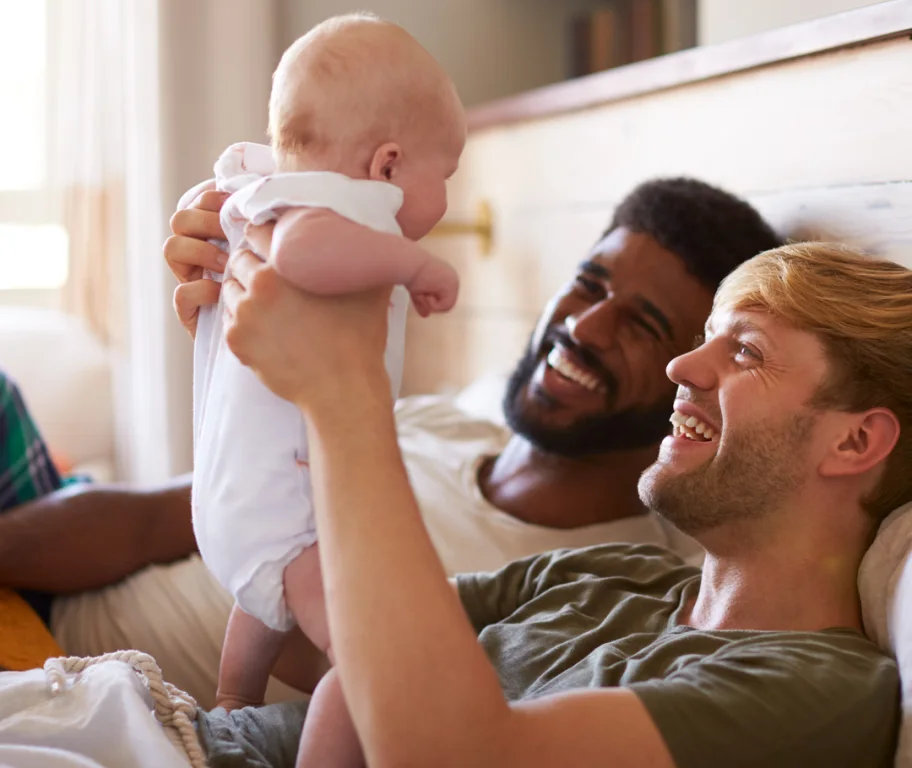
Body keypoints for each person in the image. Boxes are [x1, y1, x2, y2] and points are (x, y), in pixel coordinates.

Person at [0, 177, 779, 708]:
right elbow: (154, 517)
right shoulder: (434, 421)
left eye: (642, 324)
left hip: (66, 678)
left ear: (692, 374)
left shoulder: (612, 581)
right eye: (590, 283)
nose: (584, 325)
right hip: (33, 587)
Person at [198, 240, 909, 767]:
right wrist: (247, 367)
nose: (682, 368)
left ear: (855, 443)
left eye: (746, 352)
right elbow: (325, 636)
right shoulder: (616, 575)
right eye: (704, 341)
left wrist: (342, 398)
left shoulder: (819, 692)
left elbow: (455, 755)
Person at [193, 15, 464, 768]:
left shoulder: (270, 188)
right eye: (446, 176)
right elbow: (306, 252)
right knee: (365, 658)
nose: (445, 201)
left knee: (272, 596)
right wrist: (413, 266)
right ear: (386, 166)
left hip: (250, 503)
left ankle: (232, 705)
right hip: (278, 498)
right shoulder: (338, 211)